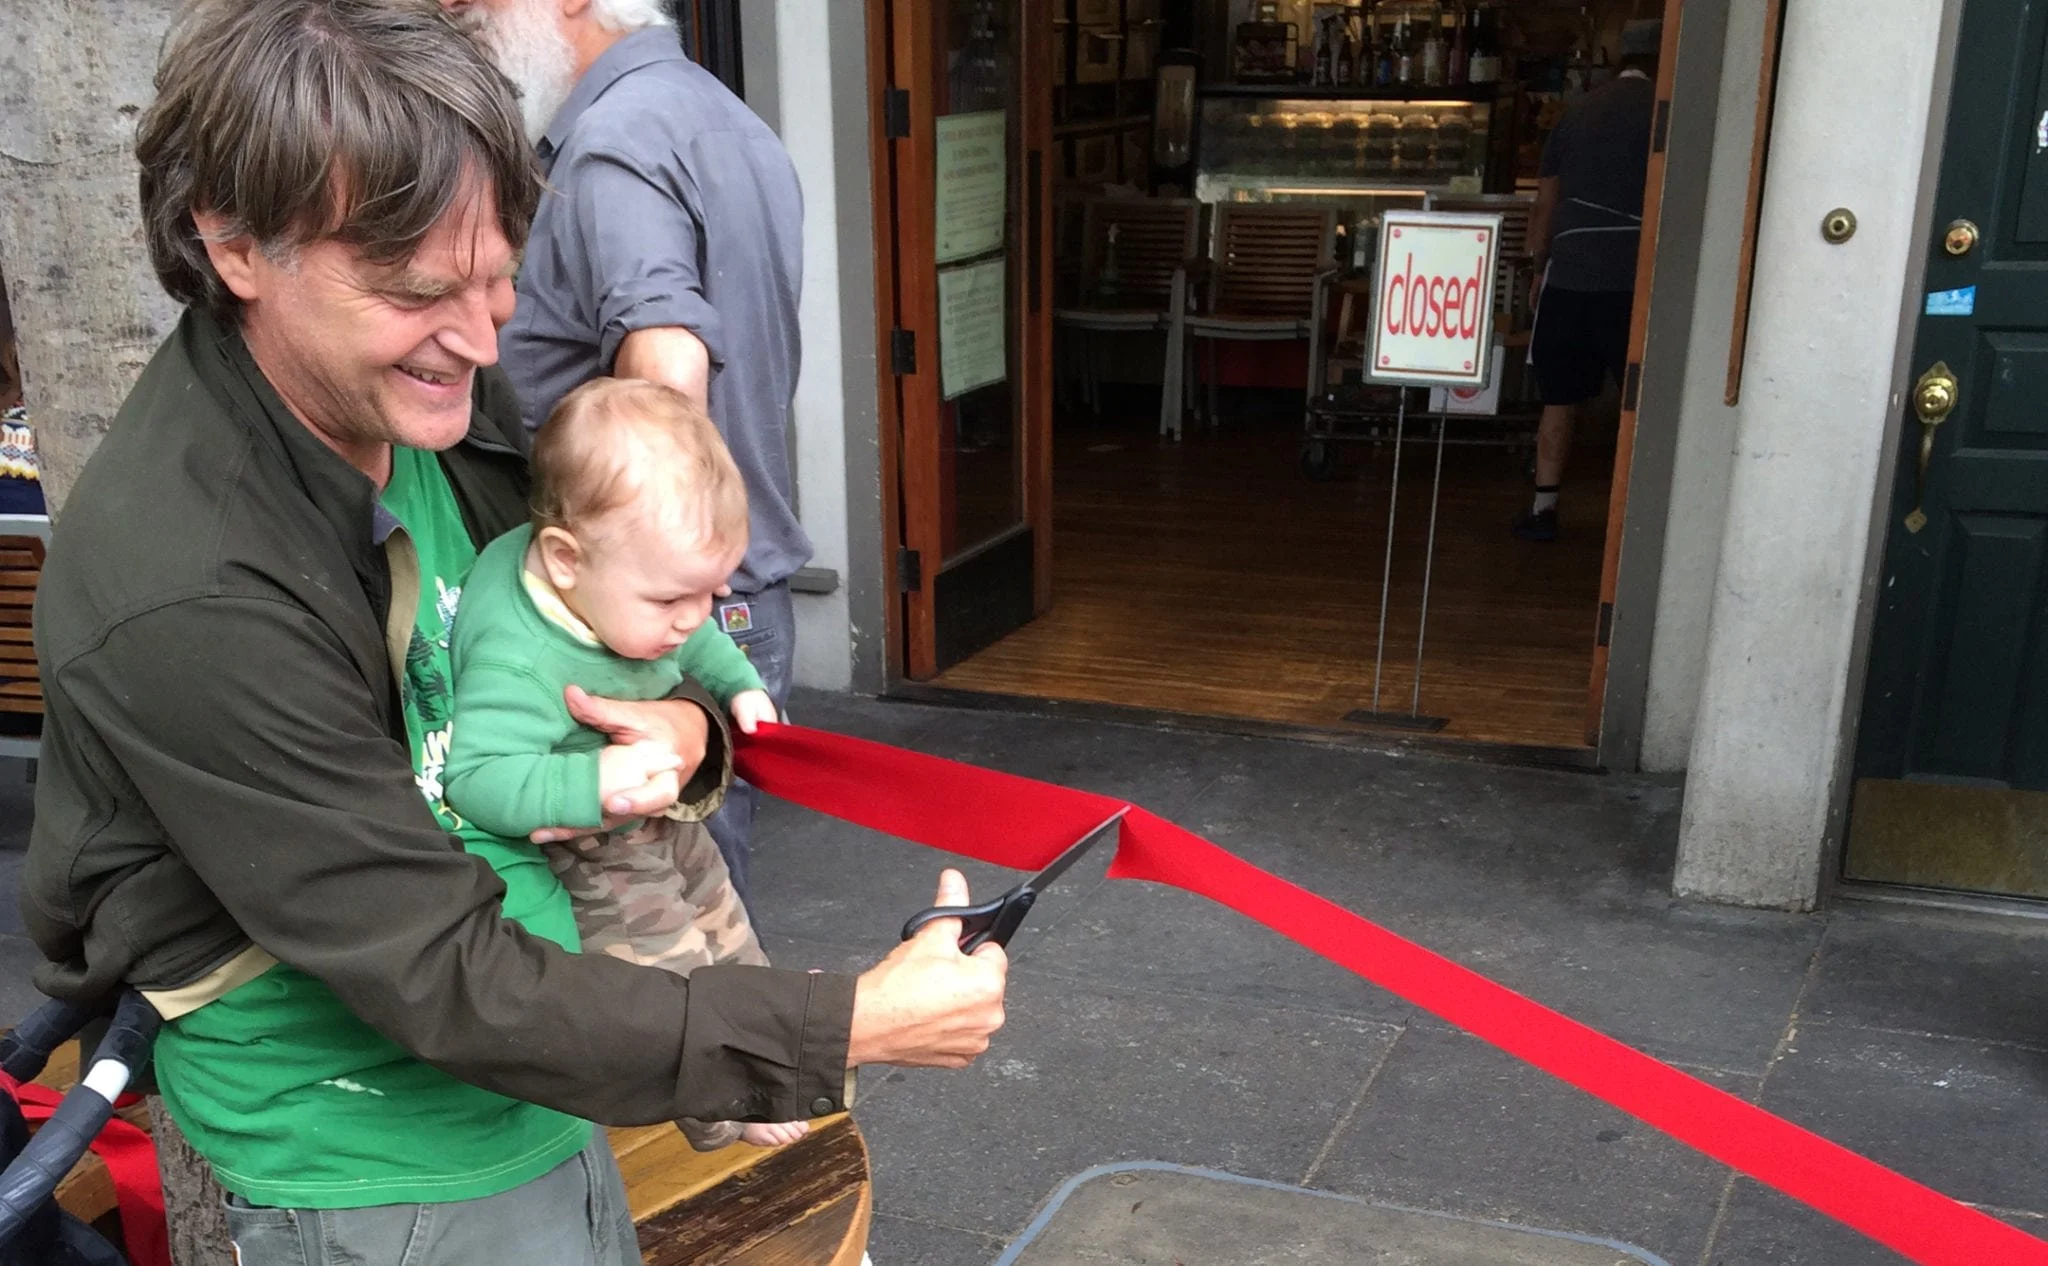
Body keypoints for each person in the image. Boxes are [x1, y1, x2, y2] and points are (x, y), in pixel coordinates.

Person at [23, 3, 1006, 1263]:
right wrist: (847, 1023)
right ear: (233, 243)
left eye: (503, 278)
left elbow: (610, 646)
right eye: (418, 291)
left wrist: (686, 726)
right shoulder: (189, 588)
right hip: (376, 1163)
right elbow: (444, 972)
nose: (485, 340)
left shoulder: (403, 401)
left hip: (537, 1095)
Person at [446, 0, 807, 906]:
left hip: (641, 605)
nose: (456, 17)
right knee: (708, 903)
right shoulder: (723, 115)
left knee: (655, 925)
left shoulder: (606, 146)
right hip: (715, 588)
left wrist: (660, 578)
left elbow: (668, 353)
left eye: (474, 1)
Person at [443, 377, 798, 1154]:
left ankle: (774, 1068)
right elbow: (476, 776)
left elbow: (695, 634)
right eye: (673, 599)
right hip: (593, 842)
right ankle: (723, 1112)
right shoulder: (521, 655)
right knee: (664, 970)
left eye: (710, 592)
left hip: (657, 805)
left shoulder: (634, 585)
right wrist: (590, 783)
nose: (692, 618)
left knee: (725, 926)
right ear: (564, 560)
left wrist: (738, 684)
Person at [1513, 18, 1661, 542]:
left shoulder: (1577, 114)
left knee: (1559, 398)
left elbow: (1545, 201)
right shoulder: (1670, 115)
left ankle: (1543, 508)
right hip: (1637, 284)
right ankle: (1632, 519)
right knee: (1636, 404)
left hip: (1571, 275)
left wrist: (1539, 266)